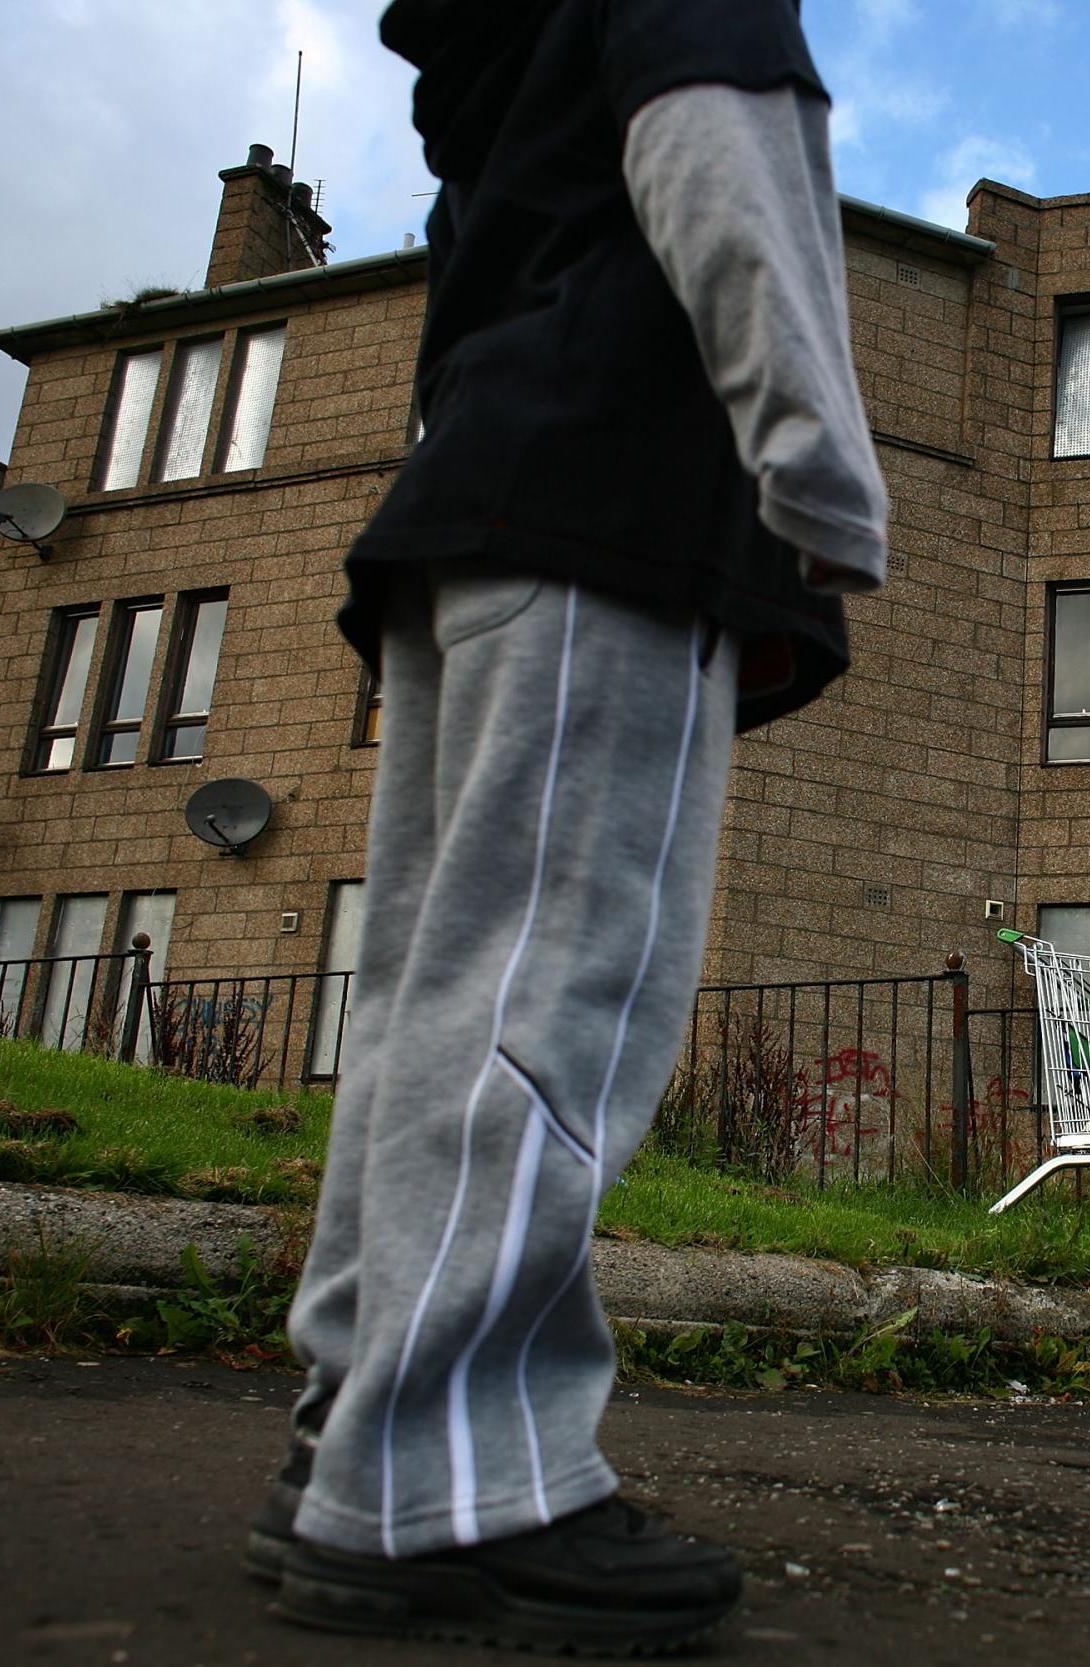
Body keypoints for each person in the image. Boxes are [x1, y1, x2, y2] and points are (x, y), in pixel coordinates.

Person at [244, 0, 887, 1654]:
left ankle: (356, 1424)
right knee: (555, 991)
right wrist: (816, 466)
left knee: (422, 1002)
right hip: (612, 502)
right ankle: (457, 1476)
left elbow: (477, 273)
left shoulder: (493, 33)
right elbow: (718, 139)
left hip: (474, 496)